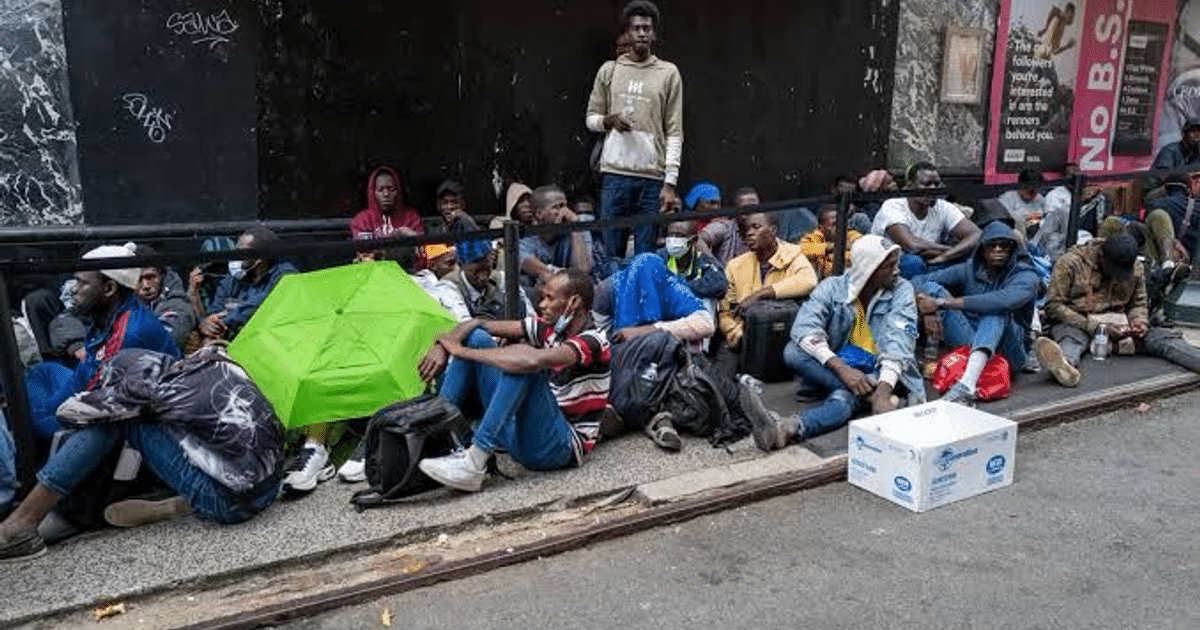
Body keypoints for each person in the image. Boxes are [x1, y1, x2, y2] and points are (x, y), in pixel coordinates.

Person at [0, 346, 283, 562]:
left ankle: (23, 524)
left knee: (120, 423)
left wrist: (117, 396)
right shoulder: (208, 363)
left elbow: (67, 414)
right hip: (269, 487)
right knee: (158, 422)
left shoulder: (146, 388)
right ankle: (181, 502)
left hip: (232, 506)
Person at [415, 270, 610, 492]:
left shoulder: (594, 341)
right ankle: (432, 442)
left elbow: (530, 361)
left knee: (525, 363)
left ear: (574, 302)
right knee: (477, 338)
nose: (542, 305)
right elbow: (478, 323)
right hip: (521, 435)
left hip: (558, 446)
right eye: (543, 298)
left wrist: (461, 352)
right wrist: (444, 346)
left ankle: (475, 461)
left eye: (550, 298)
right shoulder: (548, 329)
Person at [739, 235, 923, 451]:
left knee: (844, 399)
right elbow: (804, 329)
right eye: (889, 265)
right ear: (869, 268)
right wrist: (843, 369)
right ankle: (870, 399)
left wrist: (882, 392)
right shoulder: (832, 288)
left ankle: (788, 428)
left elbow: (899, 345)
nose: (897, 270)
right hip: (843, 365)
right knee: (793, 351)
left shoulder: (902, 290)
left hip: (882, 374)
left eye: (896, 263)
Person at [24, 244, 180, 444]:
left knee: (37, 422)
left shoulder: (131, 333)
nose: (74, 289)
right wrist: (50, 407)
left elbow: (94, 394)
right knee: (42, 372)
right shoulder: (106, 315)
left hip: (122, 416)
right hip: (95, 386)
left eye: (82, 283)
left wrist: (50, 412)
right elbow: (85, 371)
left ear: (108, 288)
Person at [1036, 233, 1200, 386]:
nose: (1117, 277)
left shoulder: (1134, 266)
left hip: (1120, 321)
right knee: (1072, 340)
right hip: (1080, 322)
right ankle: (1063, 367)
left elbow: (1139, 302)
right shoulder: (1070, 263)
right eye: (1114, 271)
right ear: (1101, 257)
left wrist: (1139, 322)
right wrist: (1095, 327)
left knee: (1163, 339)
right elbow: (1054, 305)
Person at [586, 0, 683, 258]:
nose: (641, 33)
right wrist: (610, 120)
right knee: (612, 254)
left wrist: (669, 183)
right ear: (627, 33)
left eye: (647, 28)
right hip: (614, 174)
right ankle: (617, 299)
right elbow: (591, 119)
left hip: (652, 179)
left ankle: (641, 299)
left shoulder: (668, 72)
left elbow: (674, 130)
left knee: (646, 255)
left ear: (654, 34)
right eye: (636, 28)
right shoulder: (610, 70)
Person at [592, 254, 714, 449]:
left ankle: (642, 418)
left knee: (665, 357)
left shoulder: (670, 286)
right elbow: (600, 337)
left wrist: (650, 330)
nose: (646, 301)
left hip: (664, 358)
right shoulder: (609, 290)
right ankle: (656, 420)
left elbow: (706, 324)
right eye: (640, 292)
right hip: (624, 358)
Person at [913, 221, 1040, 404]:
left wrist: (941, 304)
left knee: (995, 311)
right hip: (970, 340)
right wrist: (928, 311)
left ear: (1012, 249)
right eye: (992, 245)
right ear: (982, 249)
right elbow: (918, 281)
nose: (998, 250)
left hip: (1009, 351)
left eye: (1004, 245)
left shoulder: (1025, 274)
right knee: (932, 288)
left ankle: (967, 385)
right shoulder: (969, 268)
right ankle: (969, 375)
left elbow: (1003, 300)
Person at [717, 212, 818, 357]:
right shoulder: (735, 266)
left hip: (784, 333)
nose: (749, 233)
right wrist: (735, 331)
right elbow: (725, 313)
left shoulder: (792, 254)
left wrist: (761, 294)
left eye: (756, 227)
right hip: (745, 336)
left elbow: (809, 280)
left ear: (773, 230)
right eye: (747, 229)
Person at [870, 162, 981, 279]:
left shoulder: (942, 206)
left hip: (932, 261)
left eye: (936, 184)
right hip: (892, 268)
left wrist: (946, 256)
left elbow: (976, 234)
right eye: (926, 184)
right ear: (910, 186)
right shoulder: (893, 206)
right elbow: (911, 245)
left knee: (970, 260)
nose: (933, 189)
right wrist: (951, 251)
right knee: (913, 261)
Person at [198, 227, 297, 342]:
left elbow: (255, 308)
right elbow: (214, 311)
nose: (235, 257)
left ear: (259, 258)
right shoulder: (237, 275)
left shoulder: (284, 275)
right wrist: (207, 323)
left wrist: (224, 318)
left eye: (241, 252)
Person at [431, 239, 534, 322]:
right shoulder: (448, 286)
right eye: (475, 261)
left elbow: (531, 317)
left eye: (486, 259)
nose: (482, 265)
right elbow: (465, 326)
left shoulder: (500, 278)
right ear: (461, 265)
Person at [518, 185, 594, 286]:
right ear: (539, 214)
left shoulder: (577, 227)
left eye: (565, 206)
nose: (564, 212)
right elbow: (544, 274)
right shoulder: (525, 239)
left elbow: (582, 272)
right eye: (556, 207)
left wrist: (575, 228)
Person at [133, 245, 197, 351]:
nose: (145, 285)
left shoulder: (177, 301)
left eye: (150, 277)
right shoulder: (120, 301)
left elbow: (166, 339)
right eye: (138, 279)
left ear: (161, 275)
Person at [658, 219, 728, 301]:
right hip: (665, 307)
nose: (673, 240)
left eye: (679, 236)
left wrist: (681, 287)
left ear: (694, 240)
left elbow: (720, 285)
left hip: (693, 308)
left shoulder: (702, 259)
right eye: (670, 235)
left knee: (708, 300)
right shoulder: (660, 257)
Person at [348, 166, 424, 240]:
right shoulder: (361, 220)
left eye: (391, 189)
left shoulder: (412, 218)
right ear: (373, 193)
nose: (386, 194)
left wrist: (411, 235)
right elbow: (359, 249)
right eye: (380, 190)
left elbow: (422, 246)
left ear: (398, 191)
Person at [1031, 163, 1079, 263]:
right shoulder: (1055, 195)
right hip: (1056, 236)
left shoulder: (1082, 193)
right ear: (1064, 177)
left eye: (1076, 175)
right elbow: (1050, 222)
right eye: (1070, 175)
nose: (1073, 178)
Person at [800, 204, 862, 278]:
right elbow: (801, 249)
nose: (839, 227)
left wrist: (828, 257)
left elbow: (859, 251)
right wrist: (832, 247)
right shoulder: (814, 236)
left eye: (841, 223)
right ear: (821, 226)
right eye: (834, 224)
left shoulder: (850, 233)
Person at [694, 182, 747, 265]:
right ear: (697, 204)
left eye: (718, 203)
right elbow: (698, 240)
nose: (716, 208)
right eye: (711, 203)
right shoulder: (723, 226)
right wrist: (716, 268)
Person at [1149, 118, 1200, 189]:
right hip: (1160, 191)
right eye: (1193, 131)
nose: (1197, 135)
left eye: (1199, 131)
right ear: (1184, 135)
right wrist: (1194, 167)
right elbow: (1160, 176)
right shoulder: (1170, 150)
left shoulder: (1197, 152)